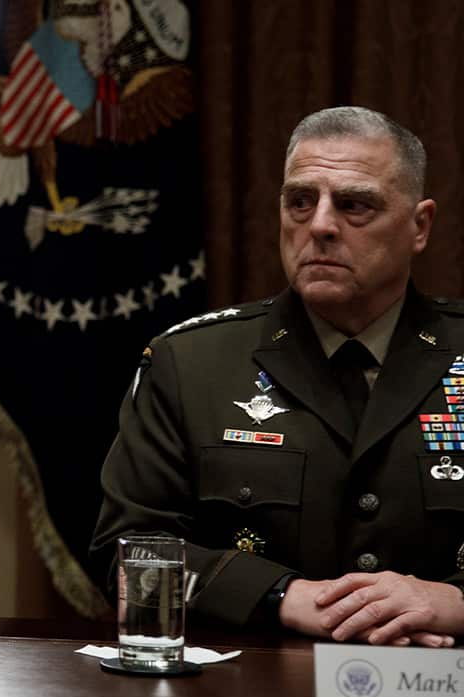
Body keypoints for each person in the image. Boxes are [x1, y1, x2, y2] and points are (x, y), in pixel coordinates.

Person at [93, 106, 464, 646]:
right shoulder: (192, 362)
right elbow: (123, 554)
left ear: (420, 225)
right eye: (300, 202)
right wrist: (279, 595)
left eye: (355, 205)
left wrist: (454, 601)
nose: (319, 226)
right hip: (250, 682)